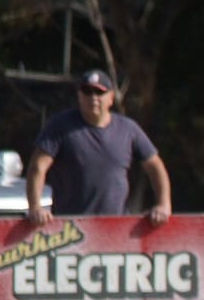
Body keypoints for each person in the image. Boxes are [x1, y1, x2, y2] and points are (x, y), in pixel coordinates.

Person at [25, 70, 173, 224]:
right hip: (69, 229)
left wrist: (163, 204)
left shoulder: (128, 129)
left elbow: (155, 166)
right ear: (79, 96)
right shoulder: (60, 126)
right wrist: (35, 207)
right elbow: (38, 167)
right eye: (87, 92)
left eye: (99, 92)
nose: (93, 97)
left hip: (117, 228)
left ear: (111, 98)